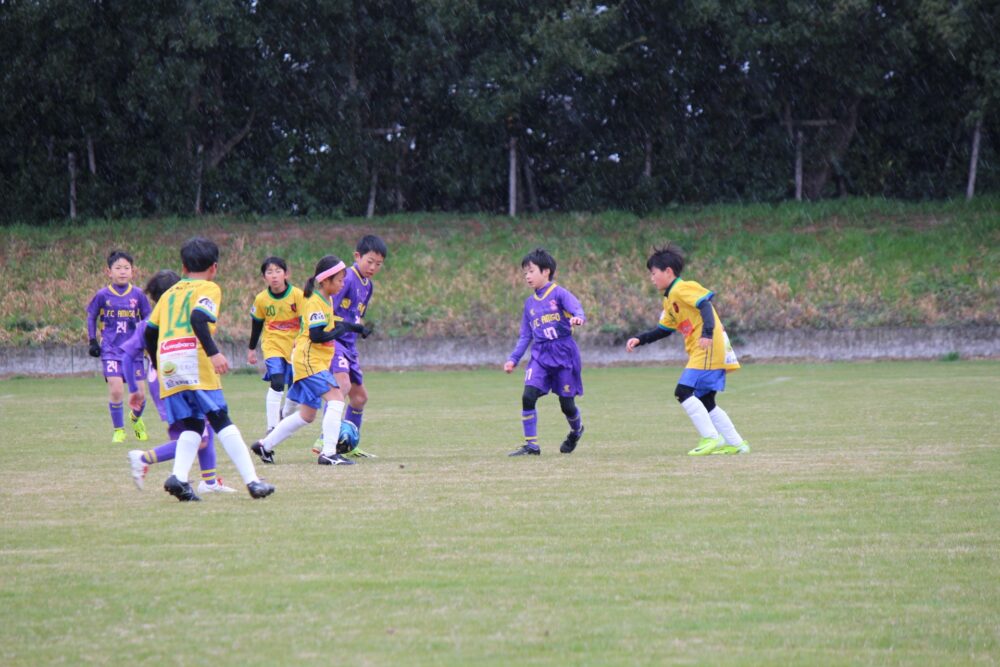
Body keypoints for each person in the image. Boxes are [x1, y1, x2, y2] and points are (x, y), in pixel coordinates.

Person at [141, 237, 275, 501]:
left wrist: (159, 364)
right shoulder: (209, 288)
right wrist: (213, 353)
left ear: (183, 267)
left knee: (192, 424)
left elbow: (149, 333)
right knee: (220, 418)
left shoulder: (168, 294)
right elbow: (198, 318)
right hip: (194, 360)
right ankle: (253, 481)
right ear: (214, 267)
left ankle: (179, 478)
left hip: (169, 363)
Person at [625, 243, 750, 456]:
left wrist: (707, 333)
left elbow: (705, 305)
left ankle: (711, 438)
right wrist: (640, 339)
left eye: (653, 273)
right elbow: (663, 330)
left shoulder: (682, 288)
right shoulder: (669, 300)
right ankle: (737, 444)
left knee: (682, 392)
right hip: (703, 349)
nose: (651, 278)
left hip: (708, 347)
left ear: (668, 271)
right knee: (706, 400)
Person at [251, 255, 369, 466]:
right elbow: (316, 335)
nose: (342, 283)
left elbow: (331, 326)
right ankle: (329, 453)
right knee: (336, 399)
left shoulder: (327, 299)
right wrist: (340, 332)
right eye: (339, 280)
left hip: (312, 362)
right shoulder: (314, 302)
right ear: (325, 281)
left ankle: (264, 445)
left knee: (306, 415)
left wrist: (355, 328)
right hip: (309, 362)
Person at [124, 270, 235, 494]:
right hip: (170, 383)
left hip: (183, 379)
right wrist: (135, 389)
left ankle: (209, 482)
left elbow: (128, 356)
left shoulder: (171, 320)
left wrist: (135, 389)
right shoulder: (153, 324)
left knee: (205, 426)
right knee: (196, 437)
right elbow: (127, 355)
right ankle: (143, 458)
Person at [504, 248, 586, 456]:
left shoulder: (559, 294)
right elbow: (525, 335)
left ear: (546, 271)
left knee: (567, 405)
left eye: (531, 271)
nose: (527, 276)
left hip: (564, 353)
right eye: (525, 273)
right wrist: (513, 359)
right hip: (540, 355)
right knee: (528, 396)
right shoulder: (529, 304)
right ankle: (532, 446)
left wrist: (578, 318)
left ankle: (576, 431)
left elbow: (577, 309)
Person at [312, 235, 385, 458]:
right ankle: (326, 439)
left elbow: (356, 315)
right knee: (341, 386)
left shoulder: (368, 286)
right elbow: (328, 308)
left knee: (360, 398)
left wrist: (359, 329)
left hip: (349, 346)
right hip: (334, 341)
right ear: (357, 256)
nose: (373, 267)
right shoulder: (346, 278)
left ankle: (349, 445)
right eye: (370, 261)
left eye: (378, 264)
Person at [85, 250, 152, 443]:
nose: (122, 271)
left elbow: (148, 317)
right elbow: (91, 316)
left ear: (133, 271)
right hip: (111, 349)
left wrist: (147, 338)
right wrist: (92, 340)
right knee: (116, 390)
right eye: (118, 268)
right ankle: (119, 430)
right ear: (109, 272)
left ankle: (136, 419)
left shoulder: (138, 295)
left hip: (134, 351)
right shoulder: (102, 295)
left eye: (126, 268)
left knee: (140, 394)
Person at [247, 256, 305, 433]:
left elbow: (305, 322)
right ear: (264, 277)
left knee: (295, 390)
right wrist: (251, 349)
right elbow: (257, 325)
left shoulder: (297, 295)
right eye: (269, 272)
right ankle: (271, 427)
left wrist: (301, 339)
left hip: (295, 347)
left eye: (278, 271)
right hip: (272, 345)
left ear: (286, 274)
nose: (274, 275)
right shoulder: (261, 299)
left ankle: (283, 415)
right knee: (277, 382)